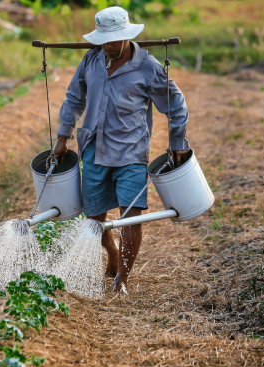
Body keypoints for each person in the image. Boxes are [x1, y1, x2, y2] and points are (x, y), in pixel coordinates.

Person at [52, 6, 189, 294]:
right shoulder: (91, 60)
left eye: (114, 40)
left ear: (127, 36)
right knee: (94, 220)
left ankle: (121, 281)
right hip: (94, 149)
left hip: (131, 153)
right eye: (104, 40)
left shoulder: (148, 68)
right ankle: (112, 254)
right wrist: (63, 136)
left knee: (131, 217)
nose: (109, 46)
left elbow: (176, 105)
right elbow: (74, 98)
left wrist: (178, 142)